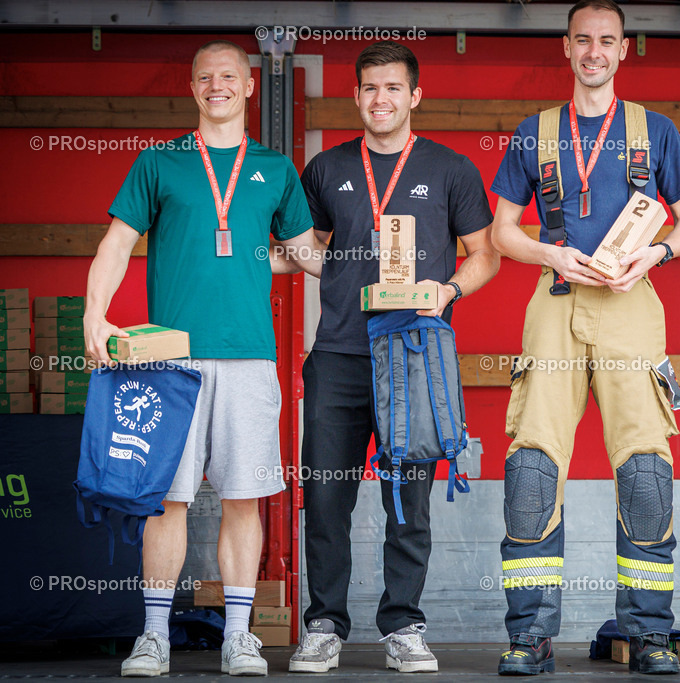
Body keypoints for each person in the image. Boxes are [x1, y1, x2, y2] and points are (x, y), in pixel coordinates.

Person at [83, 40, 322, 677]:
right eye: (204, 77)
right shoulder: (161, 163)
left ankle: (239, 638)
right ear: (193, 88)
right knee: (166, 498)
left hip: (249, 359)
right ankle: (153, 637)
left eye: (228, 77)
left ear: (249, 86)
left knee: (245, 497)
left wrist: (387, 259)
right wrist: (93, 314)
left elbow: (308, 255)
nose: (216, 85)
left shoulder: (275, 167)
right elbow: (115, 244)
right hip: (168, 361)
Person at [489, 0, 680, 675]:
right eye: (583, 40)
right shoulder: (534, 131)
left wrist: (656, 255)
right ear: (566, 46)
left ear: (623, 49)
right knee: (531, 470)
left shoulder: (655, 130)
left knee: (645, 472)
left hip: (631, 303)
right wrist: (549, 254)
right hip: (554, 302)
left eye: (607, 41)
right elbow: (501, 231)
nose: (594, 52)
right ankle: (530, 635)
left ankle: (649, 633)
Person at [284, 41, 498, 675]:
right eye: (370, 89)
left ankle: (403, 625)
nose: (381, 99)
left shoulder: (452, 168)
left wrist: (448, 289)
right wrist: (340, 275)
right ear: (356, 97)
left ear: (415, 96)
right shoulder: (326, 167)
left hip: (414, 354)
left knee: (409, 499)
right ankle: (323, 625)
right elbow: (309, 243)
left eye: (393, 88)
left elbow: (484, 254)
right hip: (340, 352)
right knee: (325, 496)